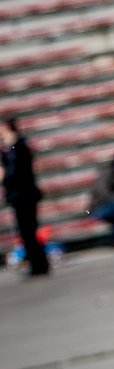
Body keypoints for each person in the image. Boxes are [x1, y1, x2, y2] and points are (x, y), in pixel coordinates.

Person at [1, 116, 49, 277]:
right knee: (27, 231)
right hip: (22, 195)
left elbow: (15, 173)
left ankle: (38, 264)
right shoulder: (12, 148)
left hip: (24, 195)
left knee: (28, 231)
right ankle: (37, 263)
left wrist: (3, 175)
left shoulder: (17, 147)